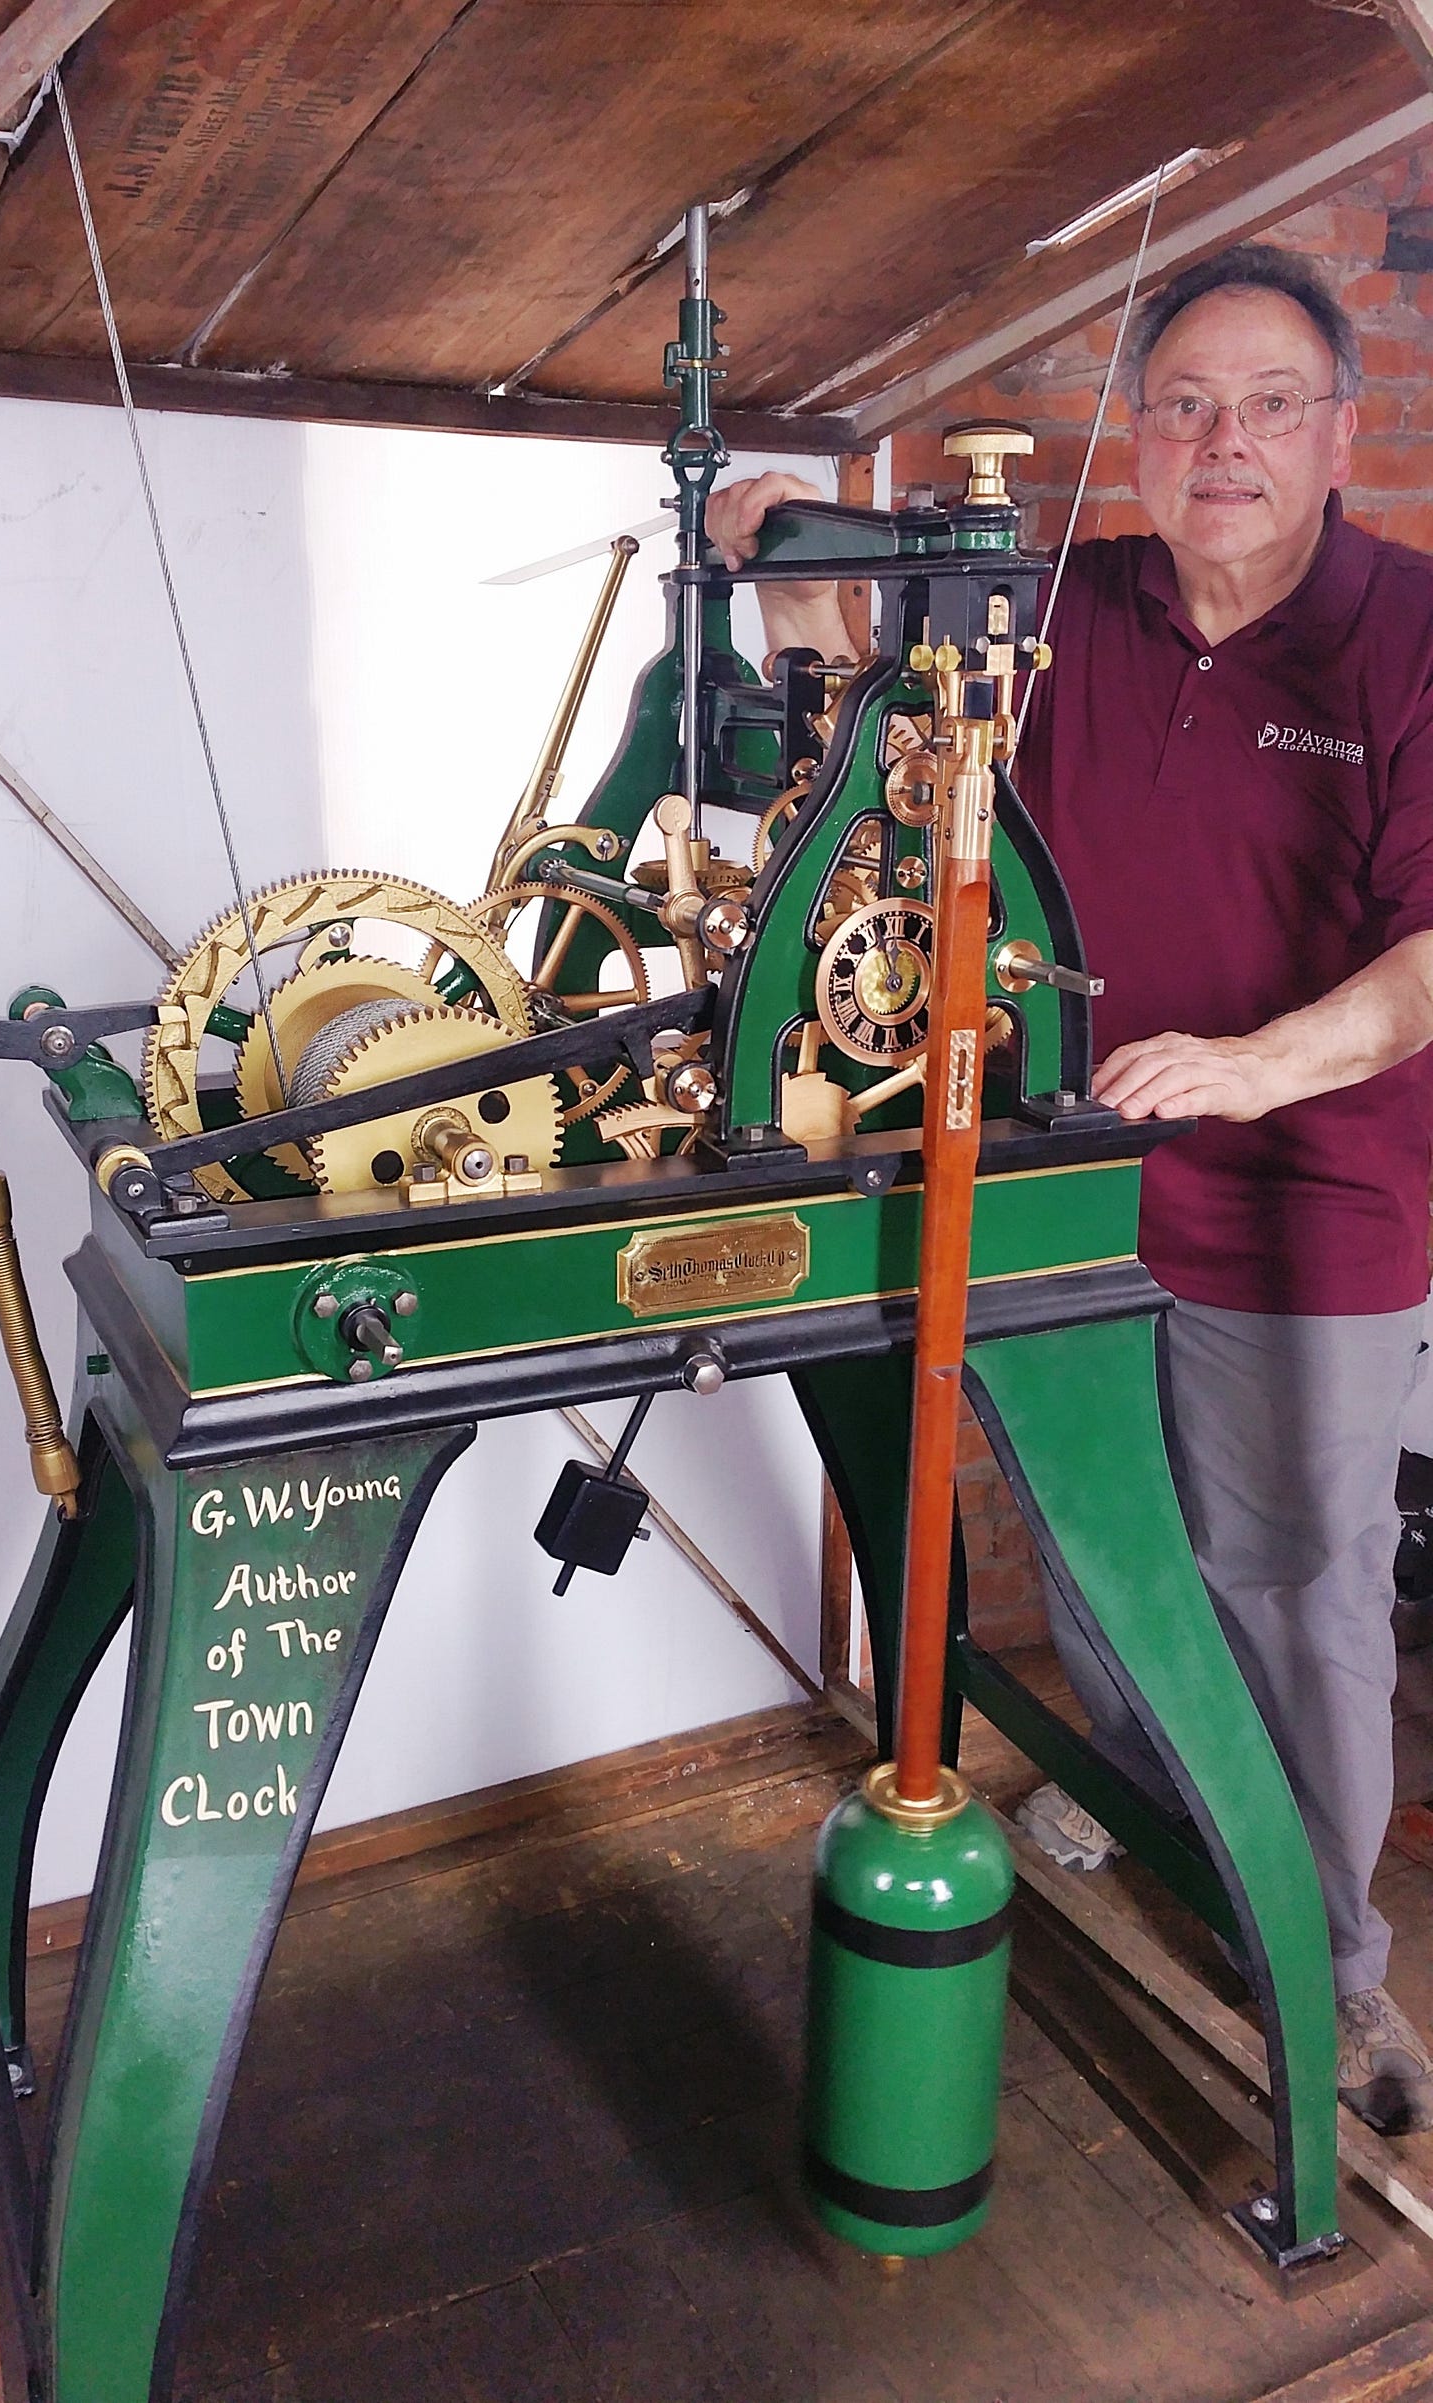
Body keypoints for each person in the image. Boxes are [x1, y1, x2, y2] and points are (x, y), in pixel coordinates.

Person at [706, 245, 1433, 2134]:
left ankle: (1330, 1969)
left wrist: (1257, 1065)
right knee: (1106, 1563)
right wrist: (781, 545)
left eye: (1272, 404)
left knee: (1296, 1596)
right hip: (1079, 1191)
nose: (1225, 442)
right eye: (1184, 404)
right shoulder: (1076, 607)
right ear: (1136, 439)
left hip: (1314, 1216)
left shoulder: (1412, 631)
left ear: (1339, 429)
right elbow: (872, 709)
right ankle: (1144, 1792)